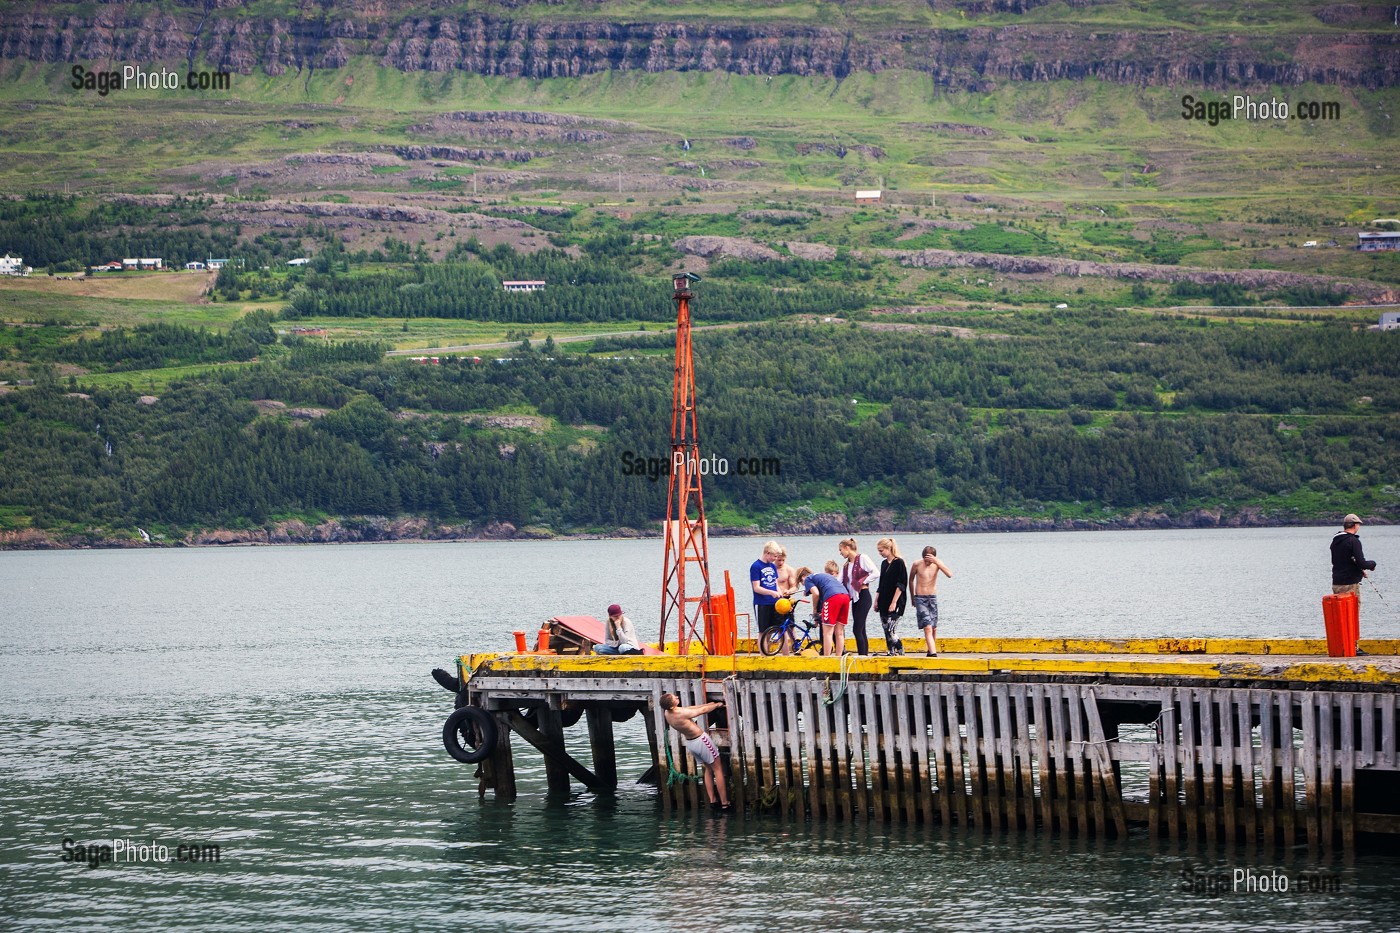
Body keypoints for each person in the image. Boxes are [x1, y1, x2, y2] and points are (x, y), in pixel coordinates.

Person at [661, 692, 730, 810]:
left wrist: (708, 704)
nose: (677, 697)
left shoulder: (668, 713)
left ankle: (713, 801)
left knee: (708, 769)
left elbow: (689, 709)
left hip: (691, 743)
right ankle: (725, 803)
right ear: (672, 706)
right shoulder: (680, 713)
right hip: (702, 741)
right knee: (718, 769)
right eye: (674, 698)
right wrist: (717, 705)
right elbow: (702, 711)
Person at [1331, 514, 1377, 651]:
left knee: (1341, 617)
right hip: (1350, 584)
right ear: (1355, 525)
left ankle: (1343, 645)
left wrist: (1358, 569)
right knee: (1352, 615)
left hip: (1337, 583)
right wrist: (1372, 564)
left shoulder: (1335, 541)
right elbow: (1362, 562)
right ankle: (1353, 646)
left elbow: (1344, 561)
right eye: (1359, 525)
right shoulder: (1353, 541)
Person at [797, 564, 851, 657]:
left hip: (833, 597)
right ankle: (838, 657)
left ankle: (827, 658)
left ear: (802, 577)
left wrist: (814, 610)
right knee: (839, 633)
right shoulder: (822, 576)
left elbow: (816, 593)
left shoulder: (808, 579)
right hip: (845, 596)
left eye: (802, 583)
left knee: (827, 633)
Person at [910, 545, 953, 657]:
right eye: (926, 560)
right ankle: (934, 654)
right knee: (927, 626)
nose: (928, 563)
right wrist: (912, 598)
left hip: (932, 597)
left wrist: (937, 562)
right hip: (920, 598)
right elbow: (910, 580)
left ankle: (930, 651)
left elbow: (949, 574)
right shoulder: (917, 564)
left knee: (933, 627)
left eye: (930, 560)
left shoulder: (937, 564)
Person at [839, 538, 877, 656]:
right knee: (861, 629)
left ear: (847, 548)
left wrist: (862, 581)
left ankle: (862, 656)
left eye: (841, 550)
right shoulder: (846, 566)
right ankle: (864, 655)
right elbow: (839, 581)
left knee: (857, 629)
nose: (840, 553)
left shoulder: (862, 558)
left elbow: (876, 572)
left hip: (864, 596)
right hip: (855, 599)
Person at [875, 538, 909, 656]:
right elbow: (881, 583)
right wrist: (876, 600)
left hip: (896, 601)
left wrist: (894, 602)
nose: (880, 553)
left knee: (891, 629)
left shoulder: (899, 562)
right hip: (884, 599)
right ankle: (891, 651)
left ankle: (900, 651)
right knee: (885, 628)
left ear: (889, 549)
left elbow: (901, 584)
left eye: (881, 551)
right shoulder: (884, 564)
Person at [750, 541, 783, 636]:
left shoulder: (772, 566)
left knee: (779, 629)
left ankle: (784, 651)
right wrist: (771, 593)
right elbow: (756, 587)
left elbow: (776, 584)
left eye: (777, 556)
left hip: (775, 603)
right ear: (767, 552)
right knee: (763, 632)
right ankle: (764, 651)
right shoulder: (756, 566)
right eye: (774, 556)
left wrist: (779, 594)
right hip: (762, 603)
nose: (775, 559)